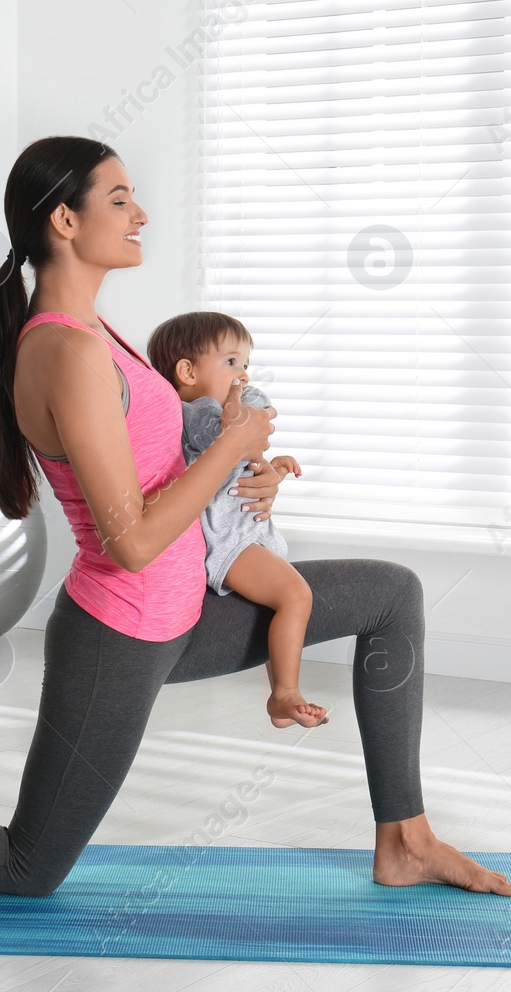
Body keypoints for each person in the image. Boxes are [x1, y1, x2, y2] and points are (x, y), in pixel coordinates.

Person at [0, 135, 511, 901]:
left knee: (391, 595)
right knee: (28, 866)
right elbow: (129, 540)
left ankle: (405, 836)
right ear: (65, 220)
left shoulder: (103, 333)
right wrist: (229, 441)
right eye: (121, 199)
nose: (141, 215)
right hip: (120, 635)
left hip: (189, 608)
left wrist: (248, 475)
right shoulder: (65, 350)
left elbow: (170, 468)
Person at [147, 311, 326, 730]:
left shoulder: (223, 410)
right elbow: (219, 438)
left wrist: (273, 468)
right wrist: (239, 415)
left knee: (290, 597)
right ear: (187, 372)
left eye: (246, 364)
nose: (243, 375)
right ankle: (284, 693)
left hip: (250, 535)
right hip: (230, 544)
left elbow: (240, 467)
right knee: (296, 597)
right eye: (231, 363)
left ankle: (283, 695)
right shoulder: (194, 413)